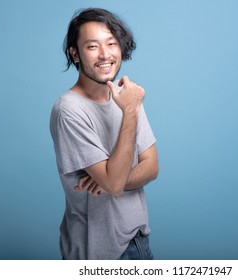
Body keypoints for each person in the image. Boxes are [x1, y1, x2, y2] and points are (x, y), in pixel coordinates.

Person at [49, 8, 158, 260]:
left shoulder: (126, 95)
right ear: (75, 54)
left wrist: (112, 180)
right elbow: (115, 184)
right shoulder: (69, 110)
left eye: (111, 44)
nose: (105, 54)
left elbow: (152, 167)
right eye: (92, 46)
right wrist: (113, 182)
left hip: (138, 240)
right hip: (99, 252)